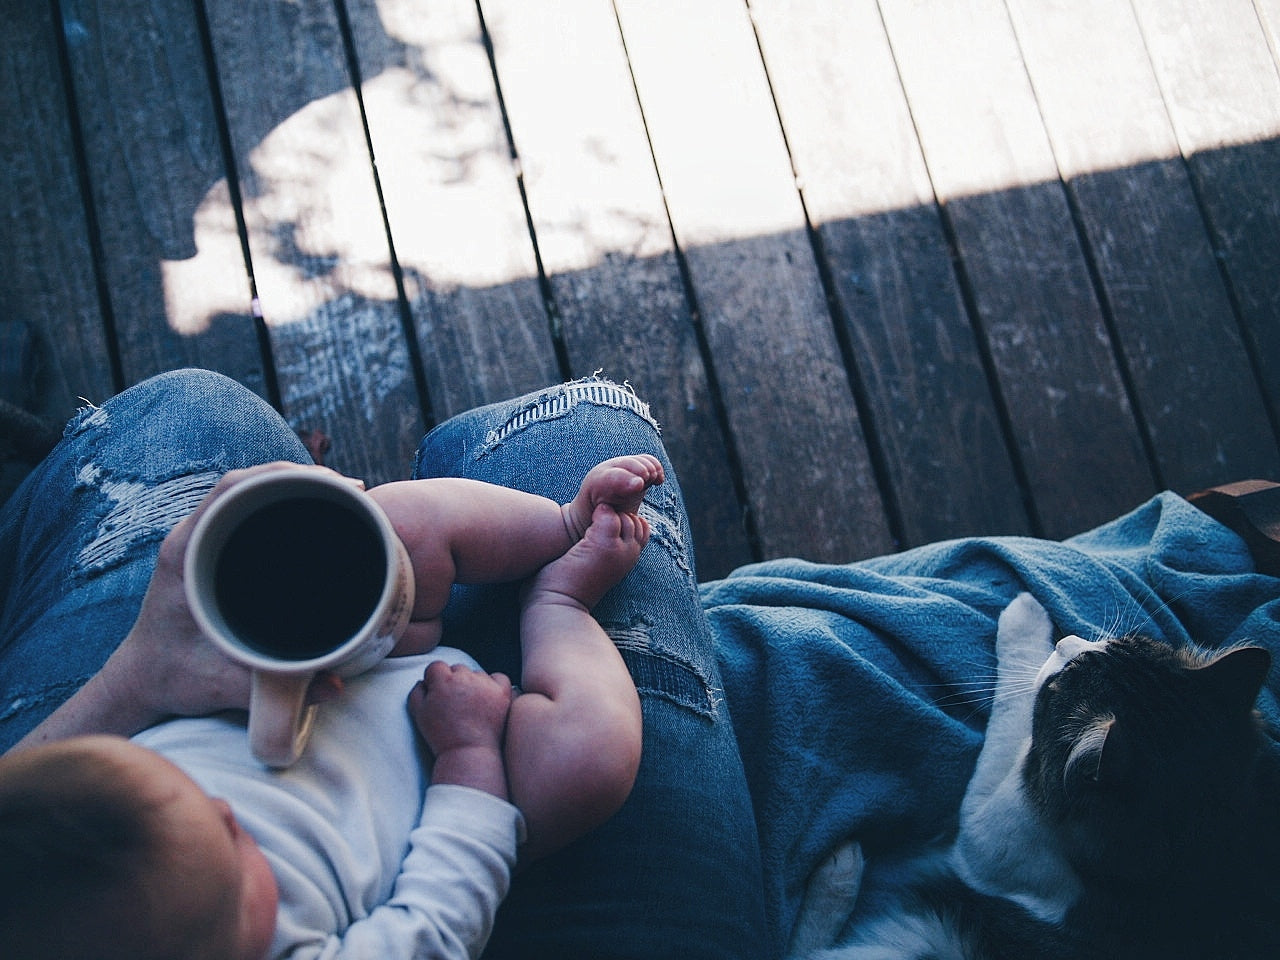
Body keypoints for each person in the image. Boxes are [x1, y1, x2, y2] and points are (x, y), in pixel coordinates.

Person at [0, 370, 769, 959]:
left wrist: (142, 678)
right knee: (590, 758)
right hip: (462, 770)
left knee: (391, 522)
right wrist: (469, 759)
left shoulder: (56, 845)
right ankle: (560, 601)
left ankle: (562, 521)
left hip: (328, 676)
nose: (230, 816)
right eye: (235, 866)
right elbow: (438, 918)